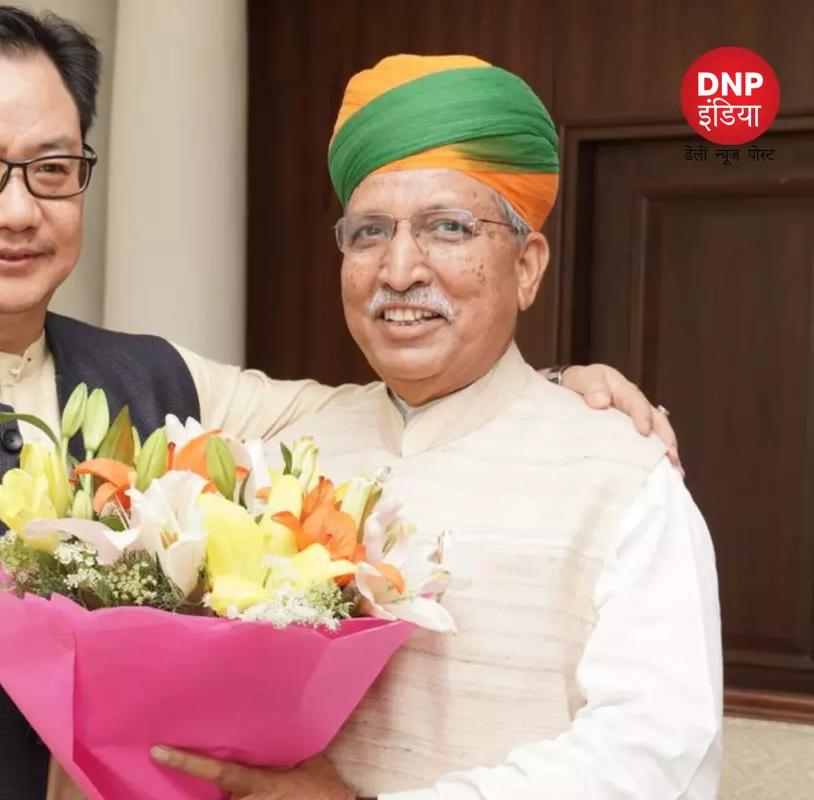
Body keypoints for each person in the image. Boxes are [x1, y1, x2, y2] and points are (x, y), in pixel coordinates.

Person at [0, 7, 678, 799]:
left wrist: (548, 392)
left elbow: (390, 404)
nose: (18, 209)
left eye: (53, 169)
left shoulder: (167, 383)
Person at [151, 54, 721, 800]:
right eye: (368, 233)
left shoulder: (622, 474)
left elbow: (651, 753)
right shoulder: (285, 454)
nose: (398, 271)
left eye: (447, 228)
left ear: (527, 267)